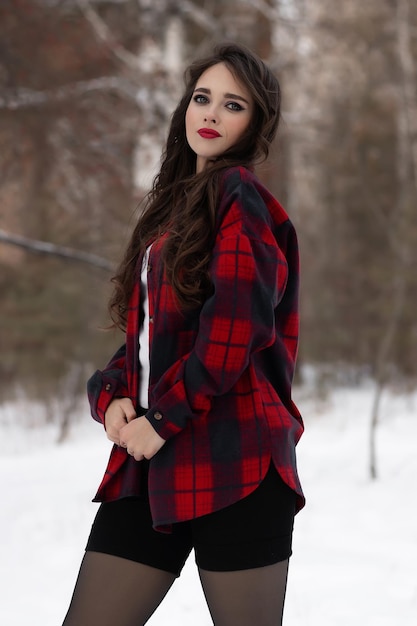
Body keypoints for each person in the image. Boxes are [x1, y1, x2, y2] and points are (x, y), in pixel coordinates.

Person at [62, 42, 304, 626]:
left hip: (234, 461)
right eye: (202, 98)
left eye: (233, 105)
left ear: (256, 123)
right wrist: (112, 394)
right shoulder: (175, 209)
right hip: (153, 464)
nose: (211, 115)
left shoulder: (238, 197)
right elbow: (151, 333)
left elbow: (234, 331)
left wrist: (163, 418)